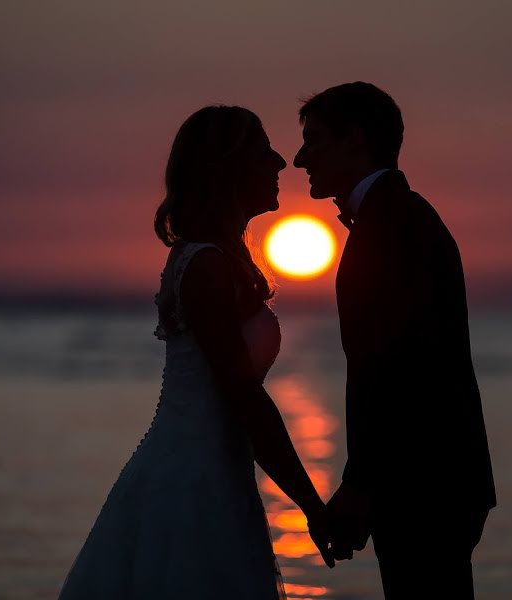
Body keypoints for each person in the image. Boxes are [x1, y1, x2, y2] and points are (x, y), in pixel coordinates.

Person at [58, 105, 332, 599]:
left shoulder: (216, 260)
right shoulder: (205, 266)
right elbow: (243, 398)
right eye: (262, 151)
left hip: (213, 472)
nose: (279, 162)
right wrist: (312, 504)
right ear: (227, 168)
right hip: (192, 485)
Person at [295, 82, 497, 598]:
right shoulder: (396, 217)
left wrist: (361, 483)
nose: (299, 158)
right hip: (429, 477)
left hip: (424, 483)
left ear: (355, 140)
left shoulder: (394, 225)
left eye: (314, 140)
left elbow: (397, 366)